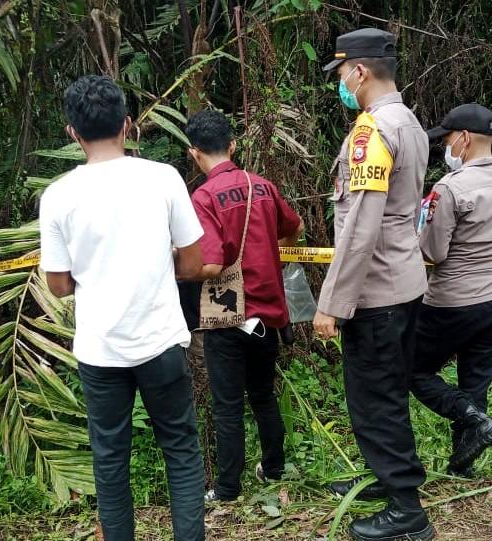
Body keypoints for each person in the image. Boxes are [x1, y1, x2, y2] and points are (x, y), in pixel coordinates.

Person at [39, 75, 206, 541]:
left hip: (99, 350)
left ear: (72, 133)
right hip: (160, 341)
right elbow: (193, 262)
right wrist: (153, 263)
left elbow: (57, 285)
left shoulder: (57, 196)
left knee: (110, 460)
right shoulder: (162, 178)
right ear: (128, 125)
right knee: (180, 450)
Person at [313, 29, 434, 541]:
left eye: (341, 74)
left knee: (375, 400)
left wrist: (332, 304)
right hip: (403, 282)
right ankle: (392, 483)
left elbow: (360, 228)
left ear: (358, 71)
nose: (341, 83)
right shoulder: (410, 123)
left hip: (375, 292)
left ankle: (407, 512)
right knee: (388, 392)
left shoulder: (370, 132)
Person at [183, 110, 304, 502]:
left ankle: (228, 487)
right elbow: (296, 227)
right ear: (233, 145)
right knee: (263, 396)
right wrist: (274, 257)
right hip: (268, 315)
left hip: (227, 318)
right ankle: (273, 469)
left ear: (194, 153)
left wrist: (178, 265)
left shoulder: (202, 197)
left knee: (228, 405)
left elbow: (213, 262)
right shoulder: (263, 187)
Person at [412, 104, 492, 476]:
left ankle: (474, 419)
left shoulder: (450, 188)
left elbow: (433, 251)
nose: (445, 148)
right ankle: (463, 464)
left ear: (463, 139)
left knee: (411, 371)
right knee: (475, 379)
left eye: (446, 139)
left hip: (450, 302)